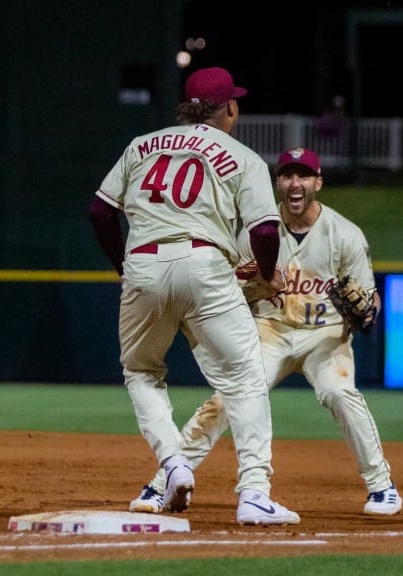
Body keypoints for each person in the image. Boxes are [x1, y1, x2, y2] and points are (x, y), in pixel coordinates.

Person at [128, 147, 403, 516]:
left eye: (303, 175)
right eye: (287, 175)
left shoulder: (345, 234)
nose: (295, 182)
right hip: (268, 328)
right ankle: (162, 483)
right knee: (227, 399)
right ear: (278, 183)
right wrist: (249, 286)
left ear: (317, 183)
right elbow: (227, 288)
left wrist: (368, 310)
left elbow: (368, 298)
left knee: (339, 391)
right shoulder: (256, 233)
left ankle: (382, 486)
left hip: (324, 336)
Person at [88, 66, 300, 526]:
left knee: (141, 372)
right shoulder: (242, 156)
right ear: (229, 108)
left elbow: (100, 211)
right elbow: (264, 228)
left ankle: (174, 466)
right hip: (206, 265)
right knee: (244, 379)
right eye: (234, 103)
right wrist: (266, 275)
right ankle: (254, 494)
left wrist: (124, 267)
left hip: (143, 260)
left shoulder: (141, 145)